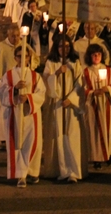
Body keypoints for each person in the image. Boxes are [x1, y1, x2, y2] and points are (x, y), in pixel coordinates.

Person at [0, 43, 46, 188]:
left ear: (28, 58)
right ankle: (21, 175)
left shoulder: (35, 75)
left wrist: (29, 98)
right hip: (15, 114)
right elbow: (2, 92)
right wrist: (14, 89)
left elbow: (41, 93)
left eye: (25, 56)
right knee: (17, 144)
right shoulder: (9, 75)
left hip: (30, 114)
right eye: (19, 56)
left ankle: (32, 172)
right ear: (15, 58)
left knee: (32, 143)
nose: (22, 59)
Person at [41, 35, 84, 183]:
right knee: (59, 137)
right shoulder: (50, 63)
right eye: (61, 46)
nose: (64, 49)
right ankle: (62, 170)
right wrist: (57, 73)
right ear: (56, 48)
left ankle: (73, 171)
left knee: (72, 136)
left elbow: (80, 84)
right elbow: (46, 81)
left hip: (70, 105)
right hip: (57, 104)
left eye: (67, 46)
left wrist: (71, 99)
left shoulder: (75, 62)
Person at [82, 43, 111, 171]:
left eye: (99, 54)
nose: (97, 56)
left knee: (110, 131)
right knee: (94, 132)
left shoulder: (109, 71)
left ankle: (108, 155)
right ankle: (96, 158)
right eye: (94, 54)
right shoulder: (86, 72)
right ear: (90, 56)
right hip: (93, 106)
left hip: (106, 104)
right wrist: (93, 93)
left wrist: (107, 88)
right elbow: (83, 89)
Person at [0, 27, 21, 151]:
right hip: (6, 87)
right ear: (8, 35)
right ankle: (5, 139)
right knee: (4, 112)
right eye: (13, 36)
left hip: (20, 86)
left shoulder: (23, 45)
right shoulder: (2, 47)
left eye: (17, 35)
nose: (16, 38)